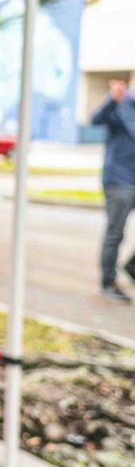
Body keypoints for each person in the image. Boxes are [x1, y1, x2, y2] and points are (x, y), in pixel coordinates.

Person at [91, 72, 135, 303]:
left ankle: (132, 267)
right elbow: (95, 119)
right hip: (119, 180)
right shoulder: (119, 104)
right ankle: (107, 282)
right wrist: (111, 99)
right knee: (115, 233)